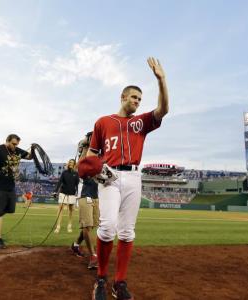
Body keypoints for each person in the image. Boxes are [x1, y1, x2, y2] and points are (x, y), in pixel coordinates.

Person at [85, 57, 169, 300]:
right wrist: (93, 168)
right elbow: (92, 154)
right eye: (134, 97)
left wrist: (161, 80)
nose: (137, 102)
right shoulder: (103, 122)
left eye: (140, 99)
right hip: (109, 177)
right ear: (123, 97)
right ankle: (101, 278)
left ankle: (119, 283)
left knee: (127, 232)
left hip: (133, 176)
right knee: (108, 227)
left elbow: (163, 110)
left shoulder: (140, 123)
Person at [71, 132, 99, 270]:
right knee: (87, 226)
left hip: (96, 194)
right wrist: (85, 146)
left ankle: (76, 245)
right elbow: (78, 168)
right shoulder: (86, 150)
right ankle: (93, 255)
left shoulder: (99, 152)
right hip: (85, 193)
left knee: (91, 225)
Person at [53, 159, 79, 233]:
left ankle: (69, 225)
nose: (71, 164)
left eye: (72, 163)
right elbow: (59, 182)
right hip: (63, 193)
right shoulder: (64, 172)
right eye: (70, 162)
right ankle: (58, 226)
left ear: (74, 165)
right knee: (60, 208)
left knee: (71, 210)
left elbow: (77, 185)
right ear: (68, 163)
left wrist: (78, 193)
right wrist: (55, 191)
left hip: (72, 194)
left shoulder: (76, 173)